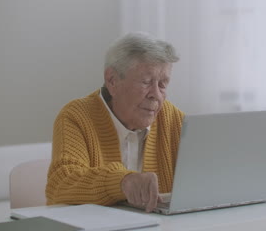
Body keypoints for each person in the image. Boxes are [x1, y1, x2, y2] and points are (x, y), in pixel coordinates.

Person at [45, 32, 184, 213]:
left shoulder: (173, 119)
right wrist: (121, 181)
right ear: (112, 80)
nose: (156, 95)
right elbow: (61, 184)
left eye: (163, 84)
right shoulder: (76, 117)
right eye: (146, 82)